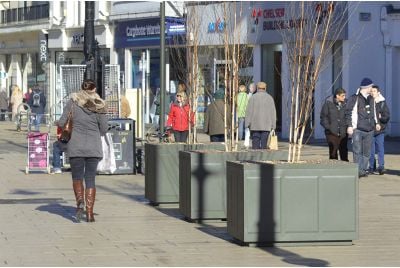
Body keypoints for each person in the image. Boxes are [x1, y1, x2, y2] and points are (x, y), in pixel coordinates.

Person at [58, 79, 108, 222]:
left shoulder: (73, 102)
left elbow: (62, 122)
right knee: (90, 178)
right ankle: (90, 213)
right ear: (94, 89)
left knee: (77, 177)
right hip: (93, 147)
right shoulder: (99, 105)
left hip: (76, 146)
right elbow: (104, 129)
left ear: (81, 89)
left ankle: (80, 202)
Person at [345, 78, 380, 178]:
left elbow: (374, 112)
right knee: (357, 151)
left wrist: (376, 123)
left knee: (367, 152)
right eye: (371, 86)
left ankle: (363, 169)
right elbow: (348, 112)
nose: (372, 88)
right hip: (358, 129)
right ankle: (358, 170)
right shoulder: (354, 98)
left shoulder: (371, 98)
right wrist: (350, 126)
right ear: (366, 87)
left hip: (369, 130)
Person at [245, 81, 277, 149]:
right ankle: (263, 158)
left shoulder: (253, 98)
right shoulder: (270, 98)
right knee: (264, 144)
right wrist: (273, 125)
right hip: (266, 125)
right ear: (265, 88)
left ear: (257, 88)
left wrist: (247, 124)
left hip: (255, 125)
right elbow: (273, 113)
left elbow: (249, 112)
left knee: (255, 144)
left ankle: (255, 157)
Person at [320, 88, 349, 161]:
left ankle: (345, 168)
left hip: (343, 132)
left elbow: (348, 115)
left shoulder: (346, 103)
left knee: (344, 151)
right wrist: (328, 127)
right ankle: (334, 168)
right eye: (342, 96)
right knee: (333, 152)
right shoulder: (328, 103)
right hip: (331, 132)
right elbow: (323, 117)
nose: (344, 97)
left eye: (345, 95)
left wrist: (348, 126)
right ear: (337, 96)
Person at [369, 85, 390, 175]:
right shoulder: (368, 102)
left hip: (380, 130)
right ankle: (371, 166)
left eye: (374, 91)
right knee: (371, 150)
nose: (372, 93)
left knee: (380, 148)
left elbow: (387, 116)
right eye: (371, 91)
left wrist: (381, 118)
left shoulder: (382, 102)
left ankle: (381, 166)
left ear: (378, 92)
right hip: (370, 129)